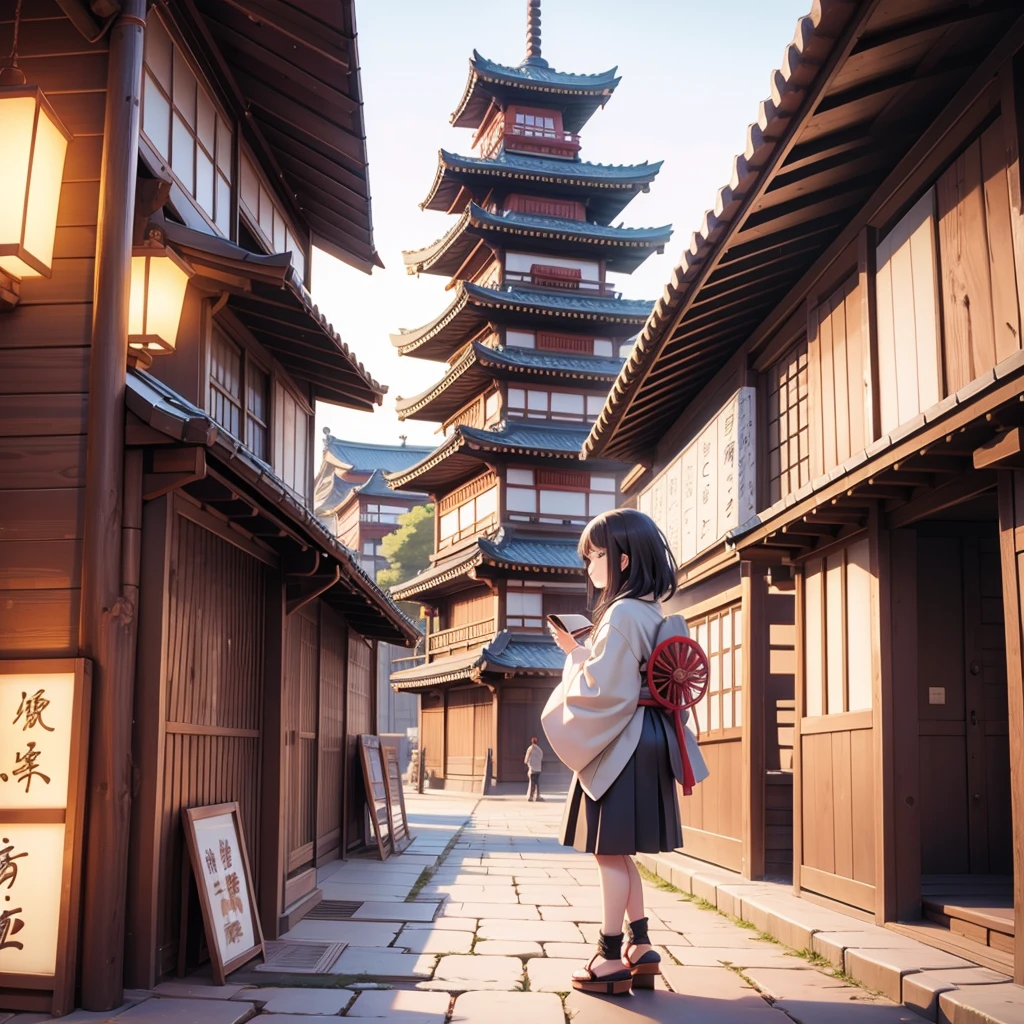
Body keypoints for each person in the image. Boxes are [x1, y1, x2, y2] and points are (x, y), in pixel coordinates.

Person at [542, 507, 708, 996]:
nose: (589, 567)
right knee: (619, 851)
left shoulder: (619, 614)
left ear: (624, 560)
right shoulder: (648, 610)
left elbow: (602, 689)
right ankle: (642, 945)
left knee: (607, 853)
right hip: (650, 734)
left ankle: (610, 956)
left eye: (595, 556)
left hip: (624, 742)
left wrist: (574, 654)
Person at [524, 736, 544, 801]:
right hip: (538, 769)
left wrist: (528, 764)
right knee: (537, 783)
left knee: (532, 783)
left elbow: (526, 759)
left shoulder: (530, 749)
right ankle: (538, 796)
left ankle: (531, 796)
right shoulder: (539, 749)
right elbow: (541, 757)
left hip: (532, 769)